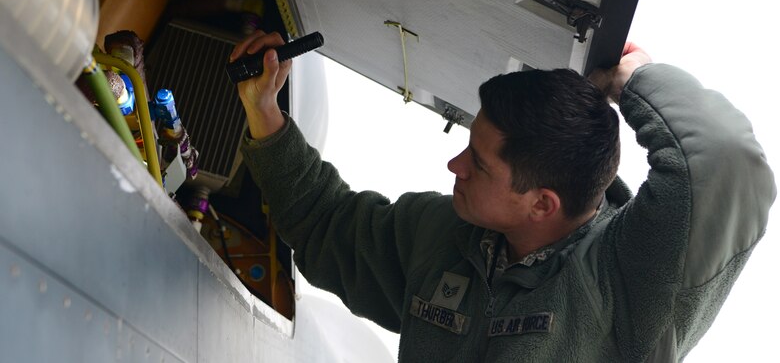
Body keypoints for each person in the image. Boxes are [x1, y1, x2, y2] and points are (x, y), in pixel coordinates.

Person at [230, 31, 775, 362]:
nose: (454, 166)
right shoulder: (442, 234)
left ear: (542, 204)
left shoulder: (629, 281)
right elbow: (328, 224)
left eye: (480, 164)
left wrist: (636, 77)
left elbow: (728, 163)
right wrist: (266, 114)